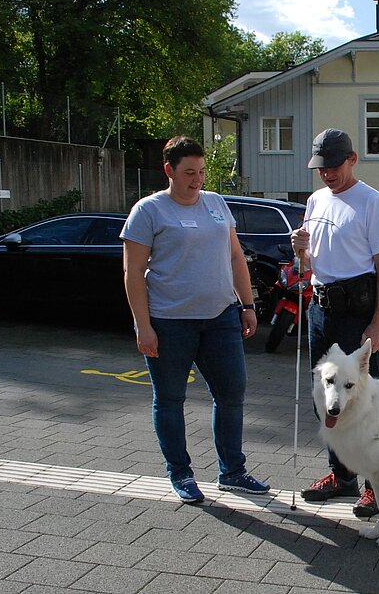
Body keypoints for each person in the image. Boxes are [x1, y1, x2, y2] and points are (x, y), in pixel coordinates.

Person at [121, 136, 268, 504]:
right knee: (170, 398)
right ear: (169, 170)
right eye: (189, 172)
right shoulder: (148, 211)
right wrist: (143, 325)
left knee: (232, 392)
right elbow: (133, 272)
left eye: (201, 172)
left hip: (220, 318)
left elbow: (236, 257)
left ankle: (232, 471)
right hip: (170, 322)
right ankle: (181, 473)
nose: (197, 179)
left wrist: (247, 305)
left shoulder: (217, 204)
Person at [292, 128, 379, 518]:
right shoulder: (315, 200)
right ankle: (341, 475)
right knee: (326, 398)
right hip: (321, 308)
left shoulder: (370, 201)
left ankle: (374, 483)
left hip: (357, 312)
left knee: (365, 402)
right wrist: (299, 249)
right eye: (320, 167)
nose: (327, 174)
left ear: (352, 160)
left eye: (333, 166)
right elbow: (308, 262)